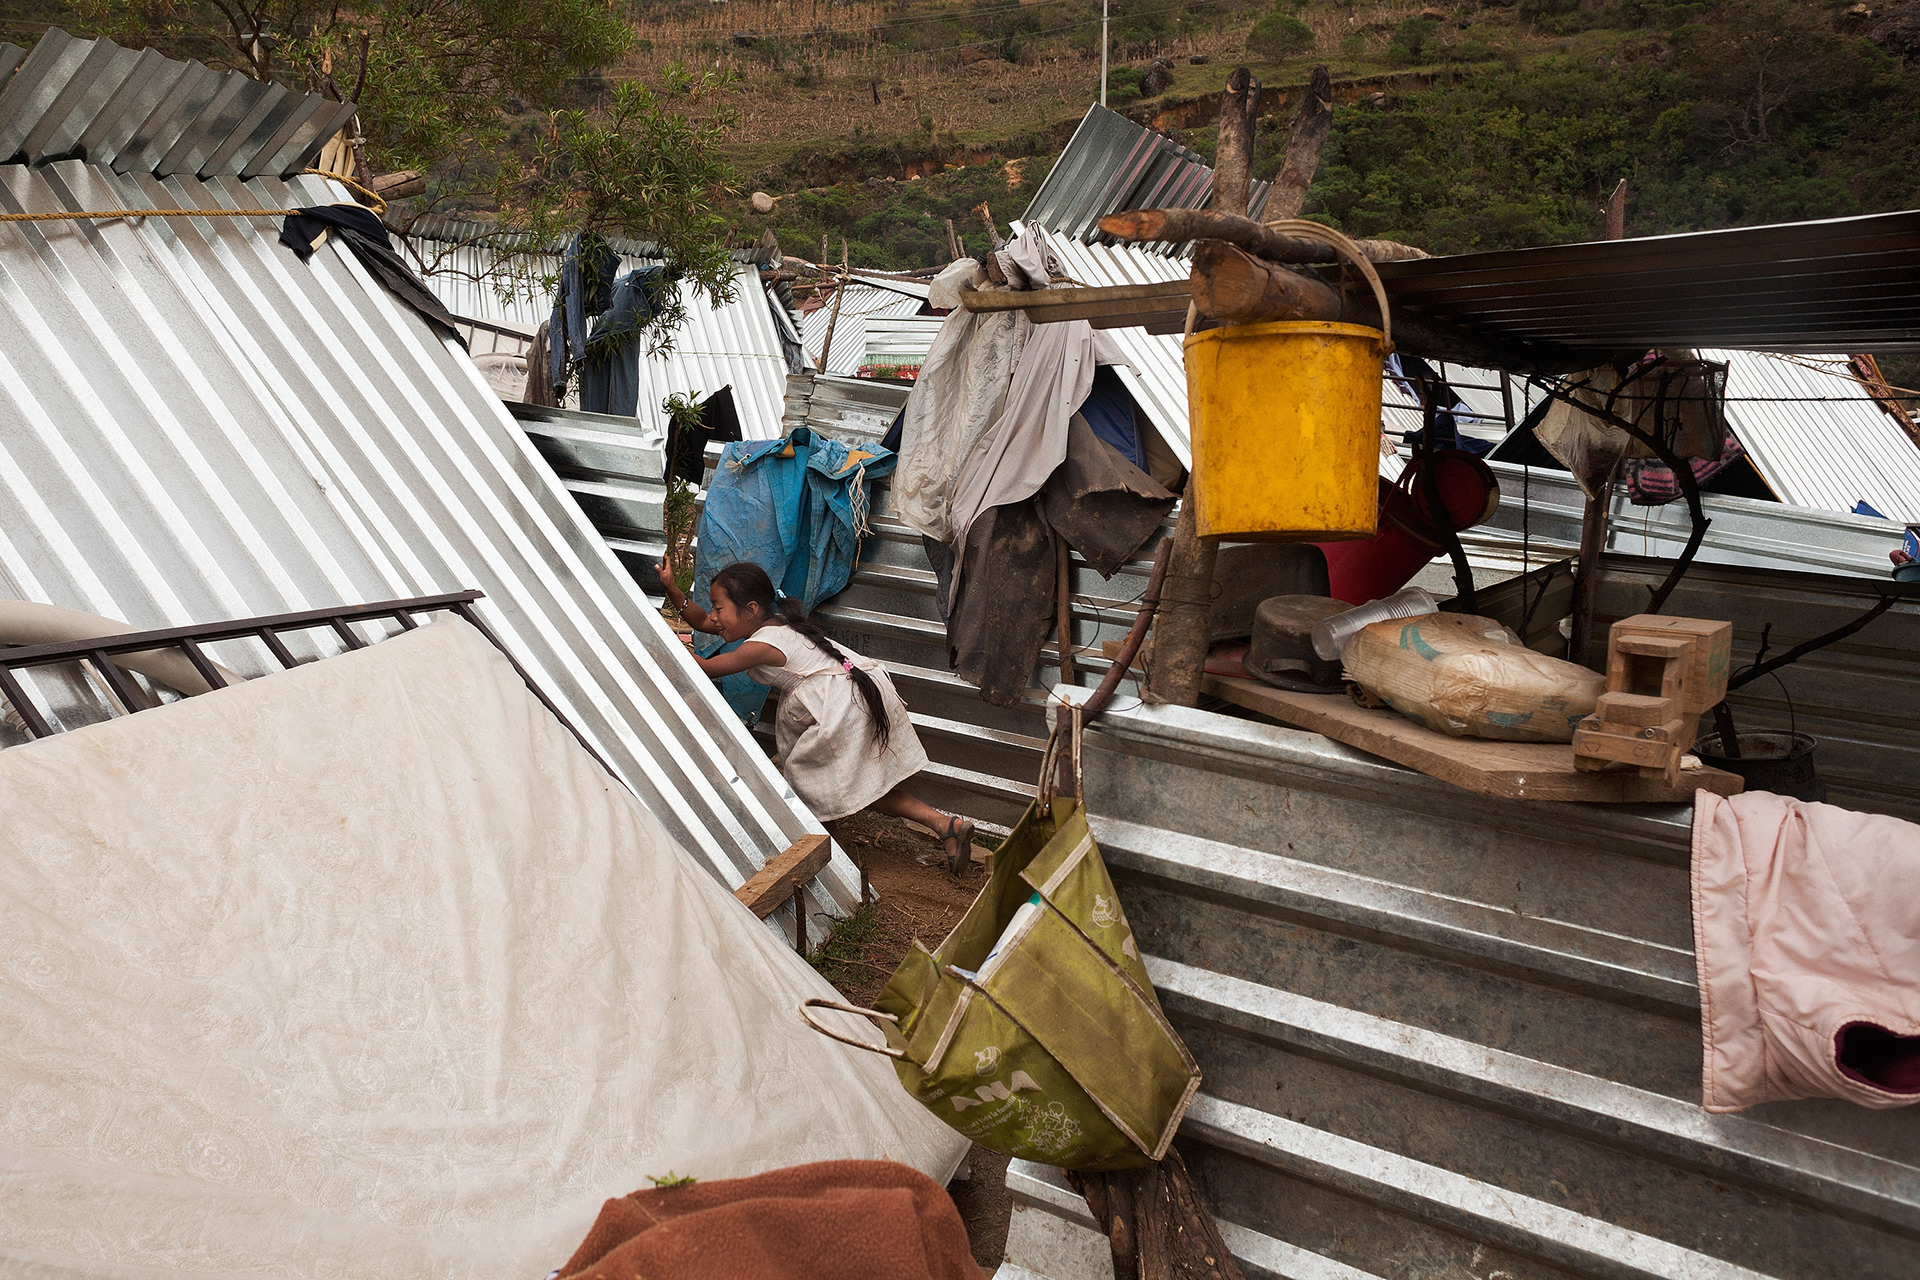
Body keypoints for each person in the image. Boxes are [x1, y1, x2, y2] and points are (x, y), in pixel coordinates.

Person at [657, 558, 976, 875]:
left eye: (718, 608)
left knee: (810, 788)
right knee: (853, 786)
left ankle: (835, 868)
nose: (714, 616)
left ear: (751, 609)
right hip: (857, 690)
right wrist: (672, 588)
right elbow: (703, 622)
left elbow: (705, 668)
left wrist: (662, 641)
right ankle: (945, 824)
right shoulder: (778, 623)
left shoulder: (762, 645)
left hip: (841, 705)